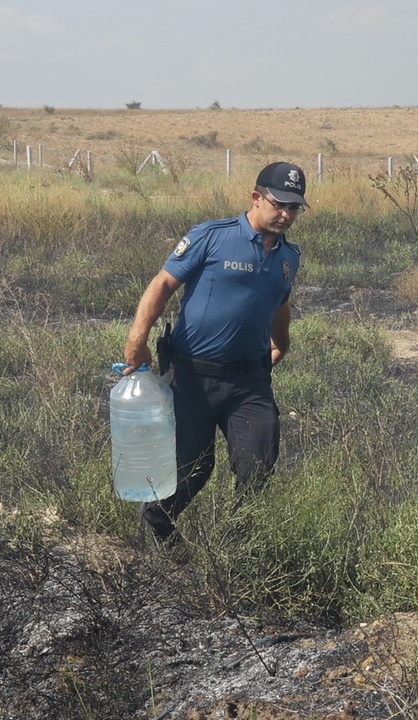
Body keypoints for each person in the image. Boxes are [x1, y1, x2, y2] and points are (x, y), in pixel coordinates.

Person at [123, 161, 306, 541]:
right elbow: (162, 285)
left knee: (257, 465)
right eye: (279, 204)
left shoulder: (290, 257)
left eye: (294, 207)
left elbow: (280, 302)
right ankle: (157, 535)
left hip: (251, 381)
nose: (286, 214)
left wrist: (281, 343)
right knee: (193, 468)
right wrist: (137, 342)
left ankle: (234, 555)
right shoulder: (212, 236)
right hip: (193, 376)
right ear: (256, 198)